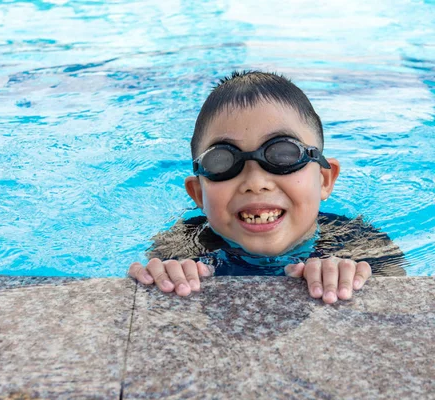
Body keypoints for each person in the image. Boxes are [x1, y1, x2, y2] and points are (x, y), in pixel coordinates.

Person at [128, 71, 406, 304]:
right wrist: (165, 275)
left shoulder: (360, 243)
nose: (255, 183)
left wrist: (351, 275)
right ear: (199, 194)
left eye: (284, 154)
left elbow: (399, 304)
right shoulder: (182, 245)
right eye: (222, 161)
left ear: (324, 179)